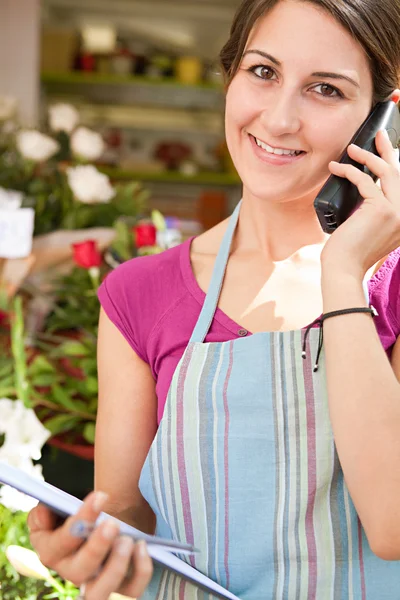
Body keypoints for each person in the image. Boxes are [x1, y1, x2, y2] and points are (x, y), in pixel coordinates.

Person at [28, 0, 400, 598]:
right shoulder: (137, 294)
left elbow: (393, 524)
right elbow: (128, 521)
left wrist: (343, 273)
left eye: (326, 89)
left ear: (380, 121)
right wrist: (87, 553)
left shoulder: (392, 284)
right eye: (262, 71)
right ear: (229, 77)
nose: (279, 119)